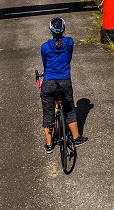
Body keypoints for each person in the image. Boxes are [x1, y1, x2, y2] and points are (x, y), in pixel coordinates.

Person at [40, 17, 87, 153]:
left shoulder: (45, 47)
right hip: (65, 82)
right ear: (63, 29)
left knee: (48, 113)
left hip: (49, 83)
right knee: (70, 110)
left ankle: (49, 145)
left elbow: (45, 63)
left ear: (50, 31)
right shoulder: (70, 42)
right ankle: (76, 138)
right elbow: (69, 57)